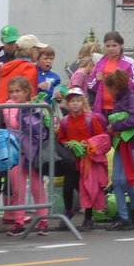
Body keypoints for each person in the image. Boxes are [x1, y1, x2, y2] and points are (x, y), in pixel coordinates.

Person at [1, 75, 51, 237]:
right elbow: (14, 123)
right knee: (18, 190)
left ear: (27, 91)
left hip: (34, 151)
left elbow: (49, 120)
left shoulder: (35, 104)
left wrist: (40, 108)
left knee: (38, 188)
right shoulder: (8, 105)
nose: (14, 94)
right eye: (11, 91)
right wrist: (29, 110)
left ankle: (43, 222)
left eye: (18, 91)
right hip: (16, 153)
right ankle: (19, 222)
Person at [56, 86, 107, 231]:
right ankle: (68, 212)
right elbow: (61, 138)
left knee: (87, 189)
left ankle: (88, 219)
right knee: (67, 188)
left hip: (88, 160)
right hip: (72, 161)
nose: (75, 104)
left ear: (83, 102)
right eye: (72, 101)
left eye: (78, 101)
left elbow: (100, 137)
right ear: (67, 104)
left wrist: (88, 144)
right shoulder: (64, 121)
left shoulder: (91, 119)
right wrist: (69, 144)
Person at [102, 68, 134, 231]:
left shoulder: (131, 98)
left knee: (125, 179)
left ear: (116, 86)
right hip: (122, 143)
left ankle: (133, 210)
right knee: (118, 180)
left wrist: (115, 126)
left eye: (110, 88)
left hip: (132, 143)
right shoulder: (122, 97)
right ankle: (127, 215)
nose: (108, 91)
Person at [87, 31, 134, 118]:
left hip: (122, 108)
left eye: (114, 45)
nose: (111, 49)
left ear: (120, 46)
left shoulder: (129, 62)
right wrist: (97, 80)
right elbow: (90, 86)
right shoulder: (100, 62)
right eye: (108, 46)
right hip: (101, 108)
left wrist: (123, 79)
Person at [0, 34, 43, 103]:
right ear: (31, 50)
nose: (39, 53)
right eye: (37, 50)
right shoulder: (29, 67)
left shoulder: (7, 65)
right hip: (14, 108)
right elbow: (28, 93)